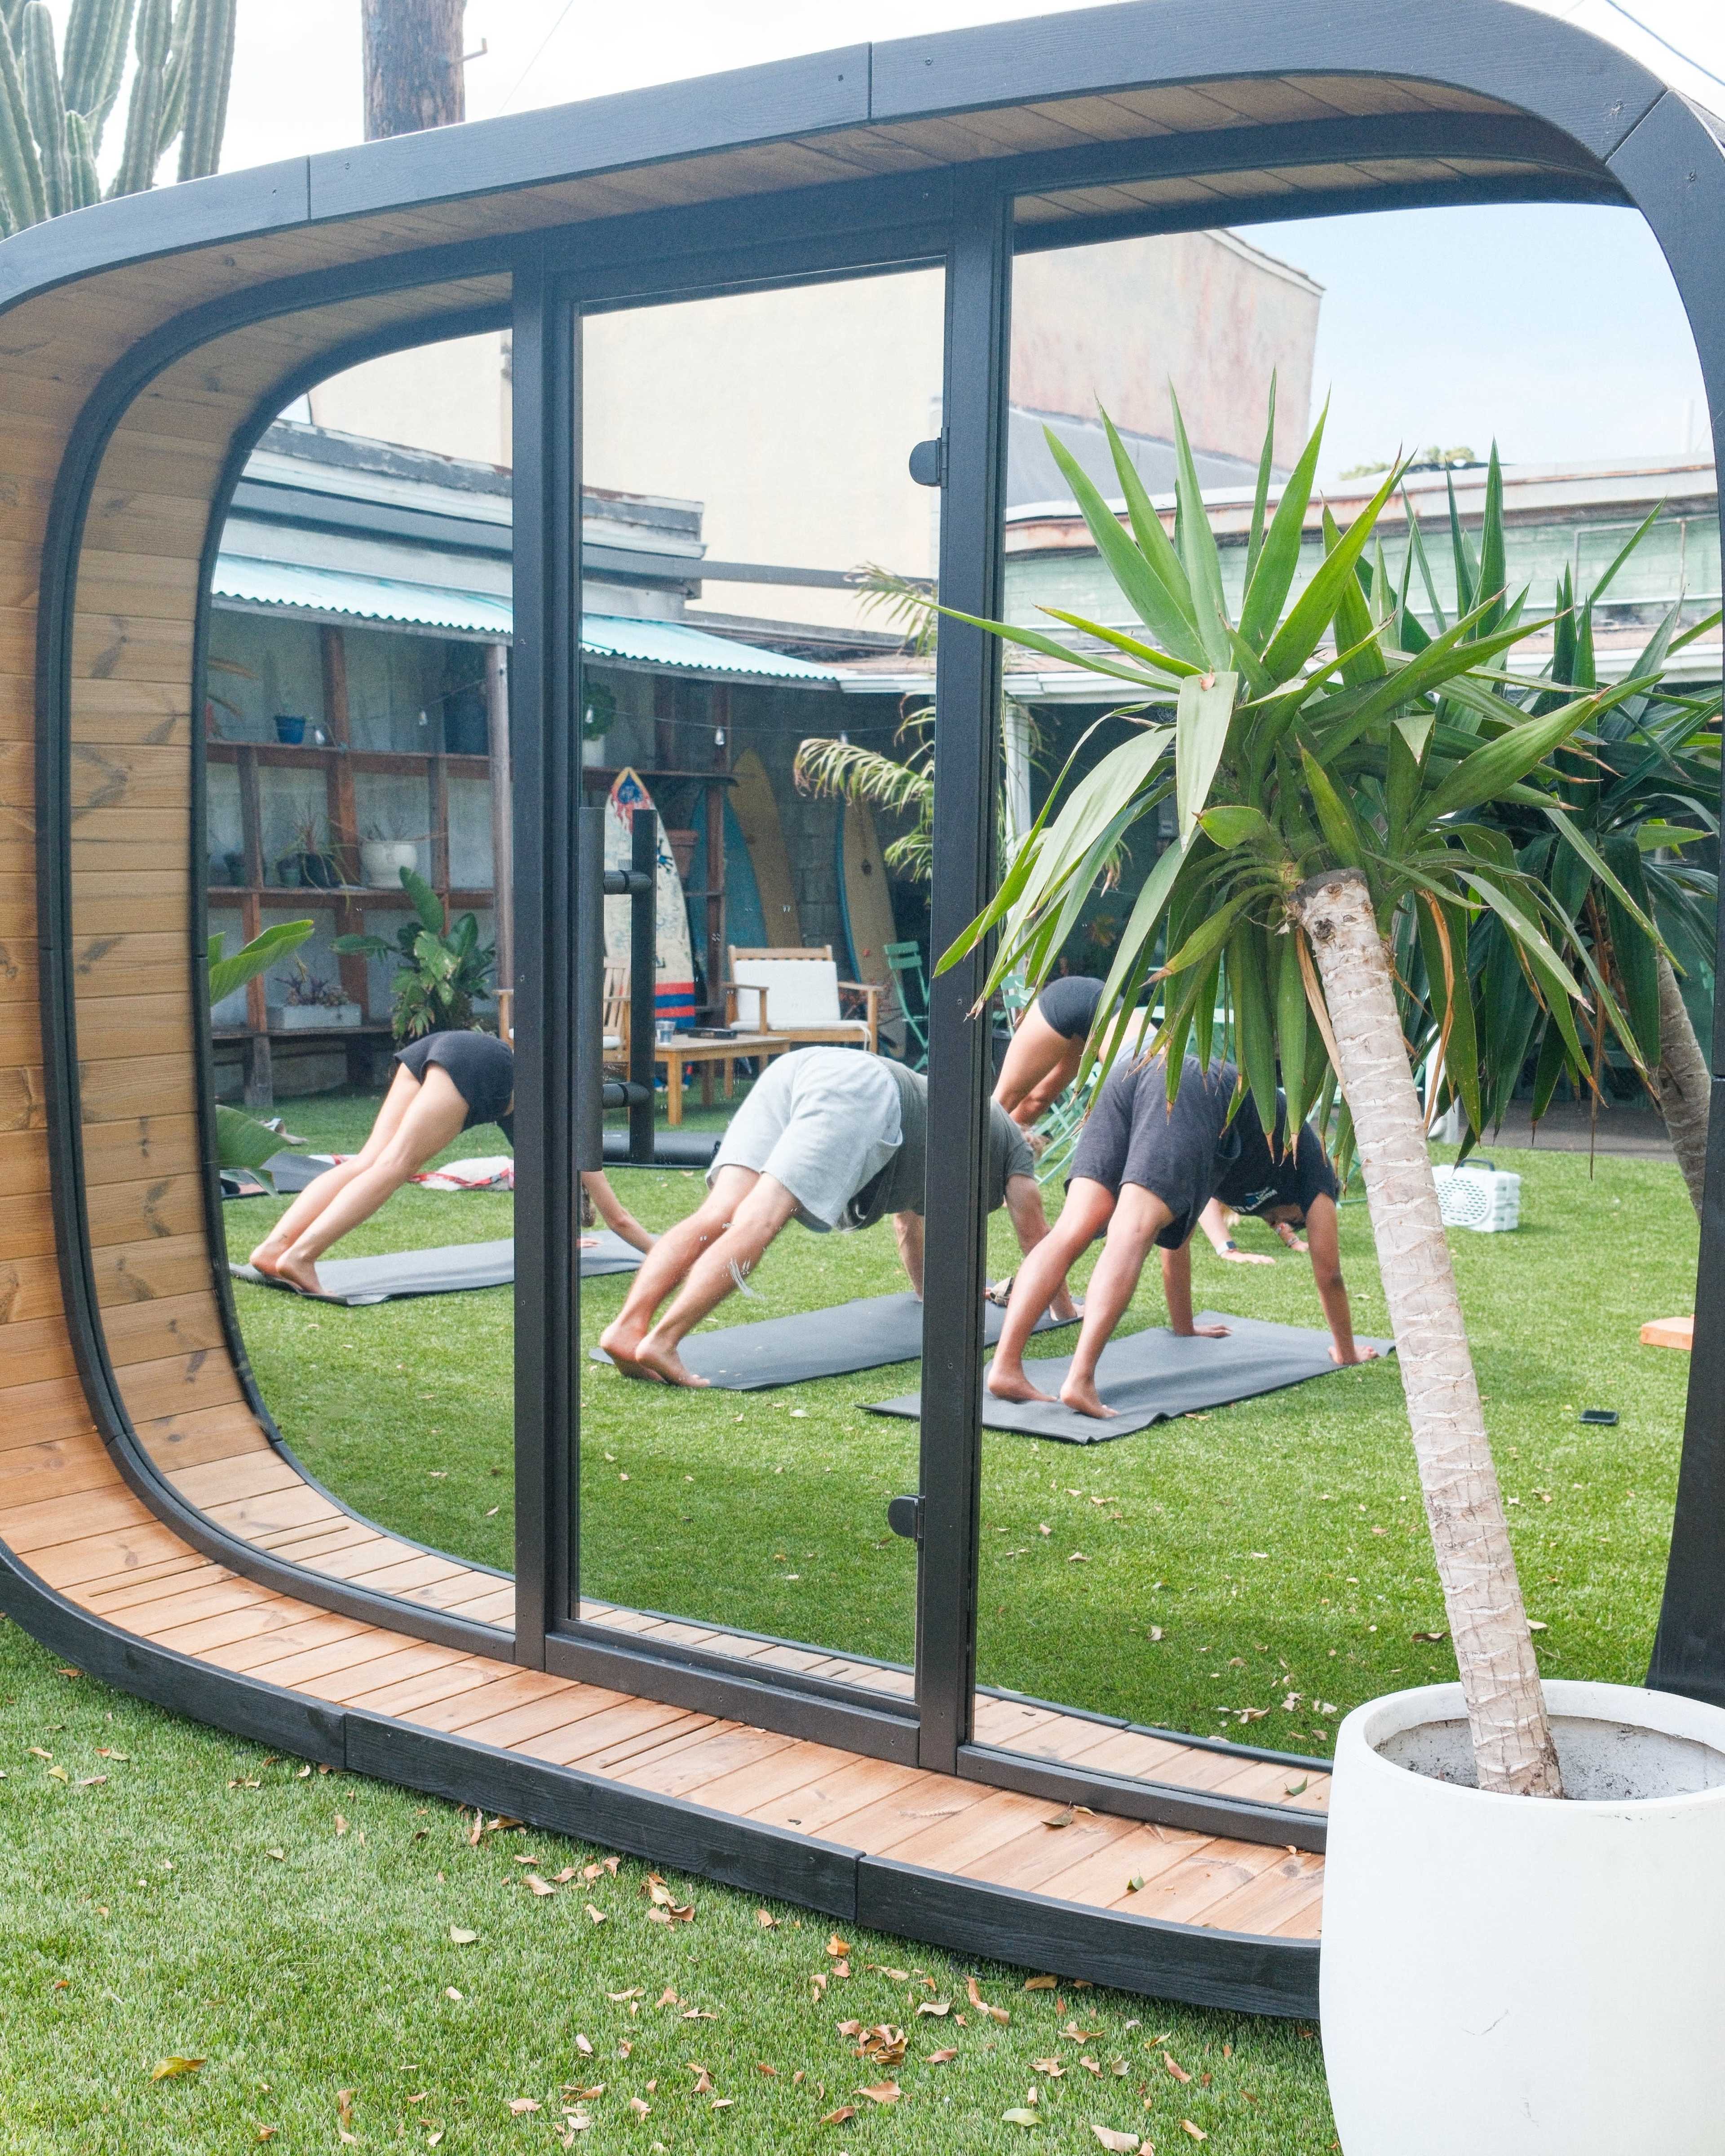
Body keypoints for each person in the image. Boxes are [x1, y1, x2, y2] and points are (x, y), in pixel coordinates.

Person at [599, 1044, 1077, 1389]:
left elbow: (907, 1223)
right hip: (863, 1088)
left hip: (806, 1066)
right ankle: (663, 1340)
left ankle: (627, 1327)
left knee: (721, 1211)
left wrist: (927, 1295)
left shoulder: (961, 1134)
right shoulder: (1015, 1149)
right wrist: (1064, 1312)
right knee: (758, 1221)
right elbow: (1038, 1239)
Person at [988, 1052, 1376, 1420]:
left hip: (1141, 1073)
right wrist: (1346, 1352)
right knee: (1132, 1229)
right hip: (1190, 1088)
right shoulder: (1317, 1172)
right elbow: (1330, 1273)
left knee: (1073, 1229)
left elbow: (1177, 1238)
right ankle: (1081, 1380)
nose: (1281, 1226)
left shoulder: (1242, 1155)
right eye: (1291, 1222)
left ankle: (1006, 1369)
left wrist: (1185, 1325)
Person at [247, 1030, 653, 1296]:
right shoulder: (572, 1132)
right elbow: (618, 1219)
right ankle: (300, 1257)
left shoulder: (546, 1105)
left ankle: (274, 1248)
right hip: (477, 1067)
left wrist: (564, 1240)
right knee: (395, 1166)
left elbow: (540, 1195)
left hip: (451, 1045)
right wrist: (664, 1255)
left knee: (369, 1161)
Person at [991, 974, 1267, 1264]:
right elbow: (1201, 1191)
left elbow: (1202, 1198)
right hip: (1074, 999)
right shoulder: (1196, 1120)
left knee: (1038, 1100)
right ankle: (974, 1174)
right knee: (1003, 1102)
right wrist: (1227, 1248)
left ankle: (1008, 1180)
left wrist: (1276, 1237)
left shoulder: (1199, 1118)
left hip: (1101, 1024)